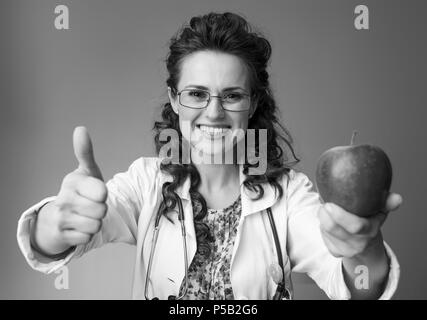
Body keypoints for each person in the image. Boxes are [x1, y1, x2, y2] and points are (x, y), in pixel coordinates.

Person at [17, 12, 402, 300]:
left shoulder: (290, 195)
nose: (214, 112)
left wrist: (361, 248)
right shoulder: (146, 182)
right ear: (174, 100)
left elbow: (359, 287)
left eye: (232, 95)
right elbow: (52, 241)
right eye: (197, 94)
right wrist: (55, 223)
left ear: (252, 104)